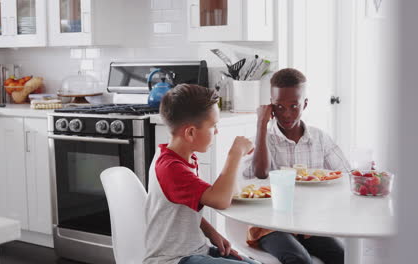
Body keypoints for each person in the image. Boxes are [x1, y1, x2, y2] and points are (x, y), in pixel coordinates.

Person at [242, 68, 350, 264]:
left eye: (294, 106)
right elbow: (260, 173)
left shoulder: (319, 138)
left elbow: (345, 175)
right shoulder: (262, 139)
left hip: (308, 225)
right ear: (270, 107)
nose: (287, 114)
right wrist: (261, 123)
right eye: (279, 107)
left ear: (305, 104)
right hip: (269, 225)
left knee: (342, 255)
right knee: (299, 260)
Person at [143, 84, 259, 264]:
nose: (217, 131)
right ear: (190, 132)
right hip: (172, 259)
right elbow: (220, 200)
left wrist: (211, 232)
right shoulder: (171, 169)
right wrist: (235, 153)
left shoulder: (182, 158)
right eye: (213, 126)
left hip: (195, 250)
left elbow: (184, 208)